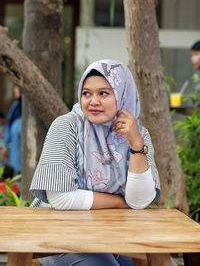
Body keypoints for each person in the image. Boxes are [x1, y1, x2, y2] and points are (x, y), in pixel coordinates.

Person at [30, 60, 160, 266]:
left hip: (117, 232)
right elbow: (61, 199)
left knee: (161, 262)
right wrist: (120, 202)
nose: (93, 101)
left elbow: (140, 201)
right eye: (86, 93)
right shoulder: (66, 127)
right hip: (60, 232)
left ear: (122, 95)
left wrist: (136, 145)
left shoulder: (138, 134)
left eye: (104, 93)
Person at [3, 85, 22, 174]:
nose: (15, 91)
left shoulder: (22, 106)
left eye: (17, 89)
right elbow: (9, 123)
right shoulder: (16, 105)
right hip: (11, 141)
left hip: (16, 142)